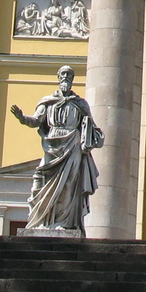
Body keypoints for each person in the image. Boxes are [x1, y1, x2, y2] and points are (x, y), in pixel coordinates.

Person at [11, 66, 103, 235]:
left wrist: (90, 135)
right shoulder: (48, 101)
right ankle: (42, 221)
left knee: (69, 184)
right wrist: (22, 118)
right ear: (58, 77)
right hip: (52, 145)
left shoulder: (80, 104)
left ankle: (65, 223)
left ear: (73, 79)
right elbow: (36, 121)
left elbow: (92, 126)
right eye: (63, 74)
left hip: (73, 145)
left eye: (69, 74)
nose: (66, 77)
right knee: (42, 179)